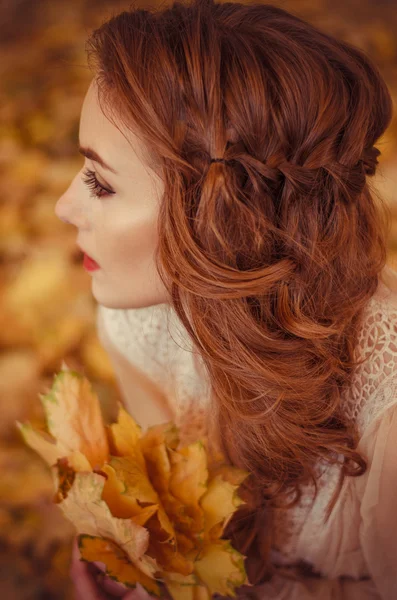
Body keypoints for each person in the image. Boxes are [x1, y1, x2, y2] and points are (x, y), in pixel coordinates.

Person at [55, 0, 397, 597]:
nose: (64, 208)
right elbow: (178, 524)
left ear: (220, 220)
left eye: (101, 183)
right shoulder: (136, 322)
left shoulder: (386, 408)